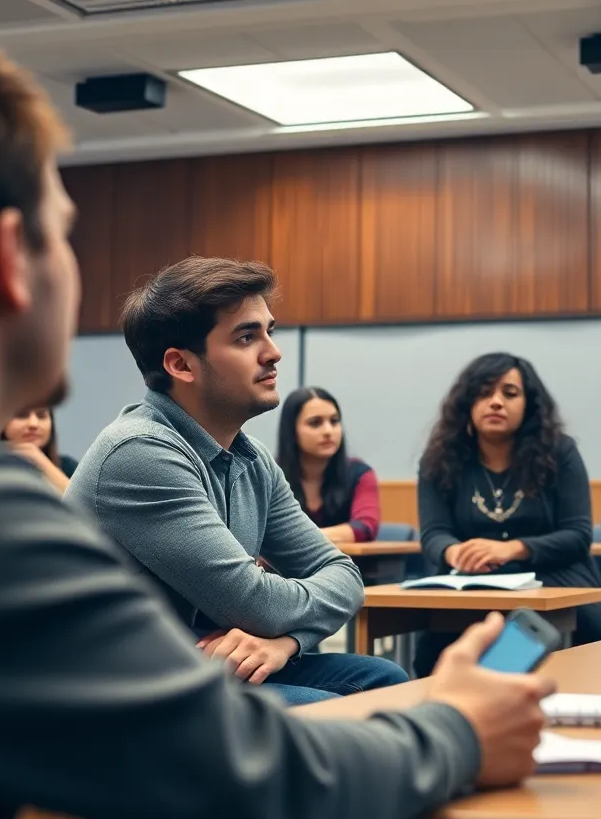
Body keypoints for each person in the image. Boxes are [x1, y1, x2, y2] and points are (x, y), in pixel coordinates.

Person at [0, 31, 552, 819]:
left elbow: (335, 576)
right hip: (189, 722)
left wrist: (280, 639)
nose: (274, 352)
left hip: (201, 702)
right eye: (65, 231)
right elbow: (240, 769)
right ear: (12, 259)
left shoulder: (239, 455)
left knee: (377, 690)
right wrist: (459, 731)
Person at [66, 257, 407, 706]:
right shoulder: (138, 453)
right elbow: (254, 603)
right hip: (120, 692)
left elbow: (345, 577)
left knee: (385, 677)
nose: (273, 351)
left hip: (202, 671)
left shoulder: (251, 459)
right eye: (247, 337)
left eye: (269, 331)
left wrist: (284, 643)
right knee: (332, 715)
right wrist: (270, 617)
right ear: (181, 364)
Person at [414, 352, 601, 676]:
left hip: (555, 576)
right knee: (431, 655)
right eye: (484, 391)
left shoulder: (560, 452)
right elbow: (433, 534)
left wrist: (513, 549)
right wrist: (456, 553)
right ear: (466, 402)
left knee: (575, 642)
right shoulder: (439, 459)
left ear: (529, 405)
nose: (495, 402)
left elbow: (578, 535)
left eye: (509, 393)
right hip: (474, 579)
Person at [276, 386, 380, 543]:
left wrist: (298, 539)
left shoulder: (359, 474)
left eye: (334, 421)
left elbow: (365, 527)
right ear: (292, 431)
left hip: (351, 565)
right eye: (315, 423)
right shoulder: (270, 474)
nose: (328, 431)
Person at [0, 404, 76, 493]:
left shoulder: (68, 466)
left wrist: (40, 460)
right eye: (22, 415)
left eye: (41, 416)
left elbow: (85, 504)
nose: (33, 424)